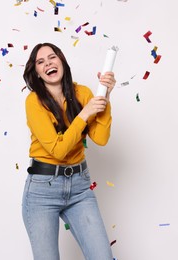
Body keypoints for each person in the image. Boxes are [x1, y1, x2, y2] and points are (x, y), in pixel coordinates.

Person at [22, 42, 116, 260]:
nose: (48, 64)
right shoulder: (34, 102)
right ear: (36, 71)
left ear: (61, 61)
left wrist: (106, 98)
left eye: (52, 57)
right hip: (42, 191)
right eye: (40, 62)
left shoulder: (82, 92)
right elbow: (58, 150)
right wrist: (84, 114)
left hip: (80, 187)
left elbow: (101, 139)